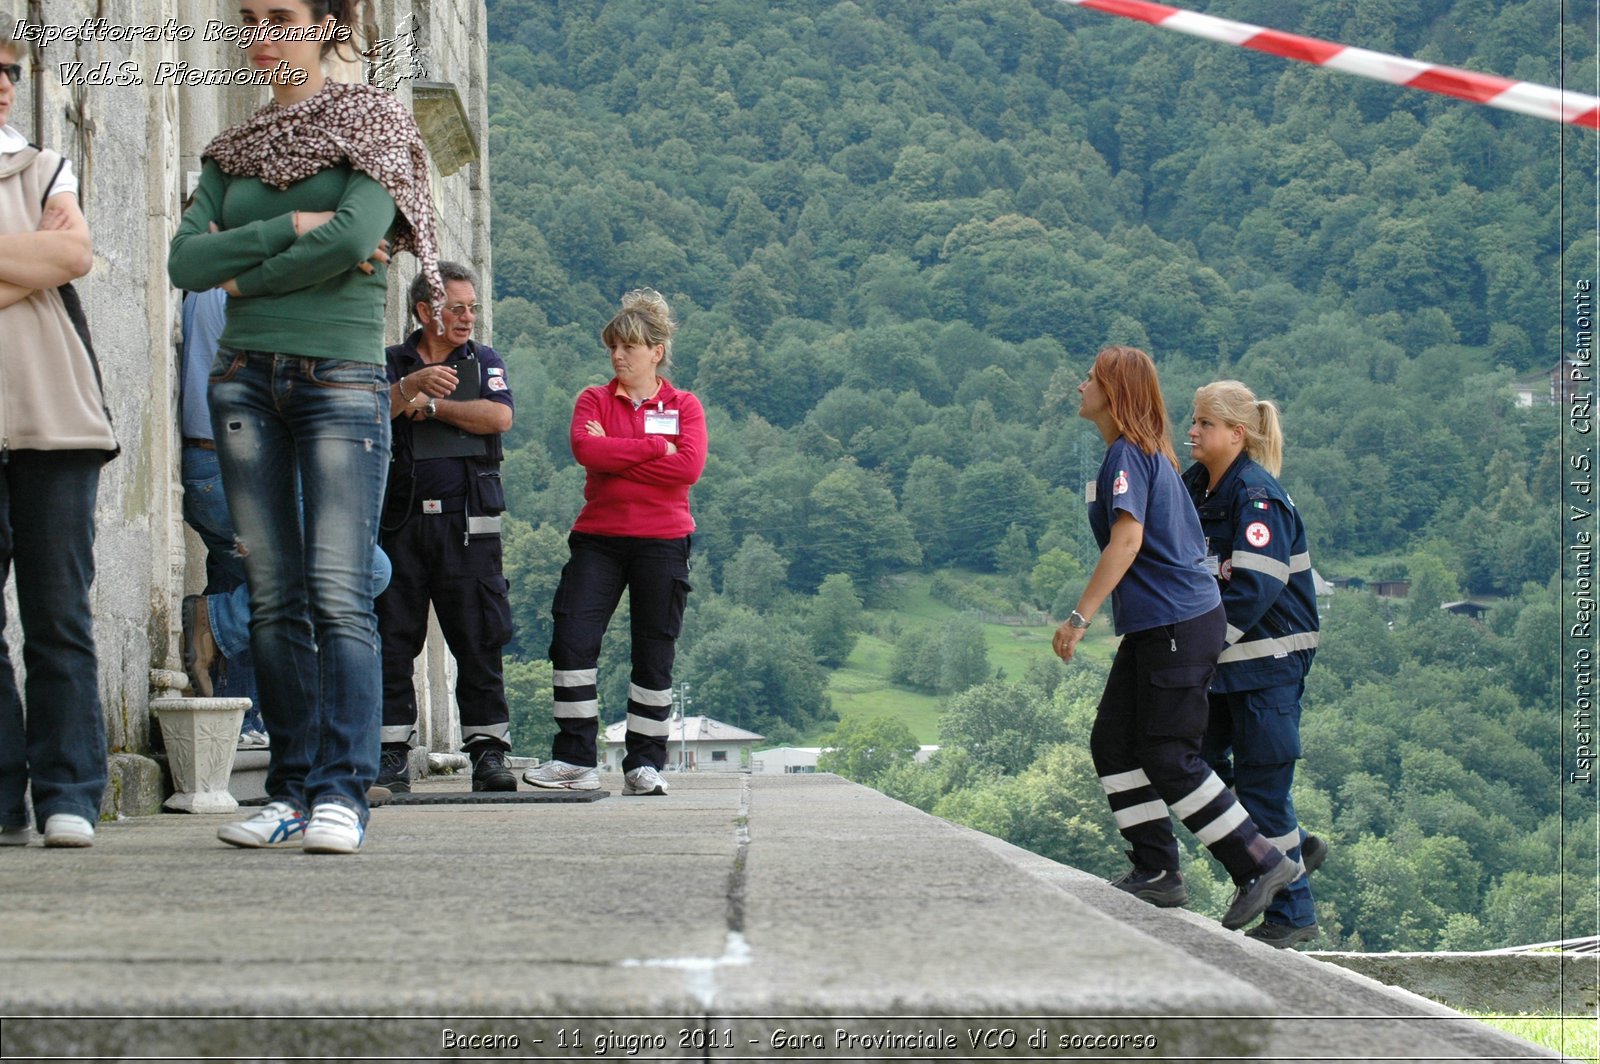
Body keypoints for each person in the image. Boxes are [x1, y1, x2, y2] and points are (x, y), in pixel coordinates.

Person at [167, 0, 442, 854]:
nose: (262, 33)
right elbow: (184, 260)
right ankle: (288, 789)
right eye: (249, 17)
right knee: (275, 597)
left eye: (281, 15)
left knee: (338, 589)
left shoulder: (373, 123)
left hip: (340, 380)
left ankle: (343, 790)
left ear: (328, 27)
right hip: (244, 383)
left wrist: (244, 272)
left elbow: (360, 231)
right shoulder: (231, 151)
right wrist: (288, 229)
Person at [1052, 346, 1299, 932]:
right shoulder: (1141, 453)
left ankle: (1260, 863)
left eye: (1090, 378)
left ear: (1114, 392)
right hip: (1160, 625)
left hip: (1174, 625)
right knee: (1114, 742)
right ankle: (1157, 871)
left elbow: (1126, 543)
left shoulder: (1127, 455)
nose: (1079, 386)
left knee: (1169, 754)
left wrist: (1078, 618)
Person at [178, 288, 394, 751]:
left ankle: (242, 734)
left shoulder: (206, 292)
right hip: (241, 472)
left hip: (207, 471)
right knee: (366, 568)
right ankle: (214, 621)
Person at [0, 29, 118, 847]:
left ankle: (70, 791)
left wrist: (56, 252)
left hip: (55, 419)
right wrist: (30, 258)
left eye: (9, 71)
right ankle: (4, 798)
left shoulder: (43, 166)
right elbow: (51, 255)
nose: (4, 85)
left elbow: (74, 252)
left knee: (58, 615)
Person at [524, 290, 705, 796]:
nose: (617, 356)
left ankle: (645, 766)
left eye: (628, 346)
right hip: (598, 540)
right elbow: (587, 450)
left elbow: (688, 467)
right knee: (572, 640)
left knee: (654, 653)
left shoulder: (684, 405)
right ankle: (574, 759)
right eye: (612, 347)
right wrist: (653, 447)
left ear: (657, 350)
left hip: (664, 542)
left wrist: (617, 451)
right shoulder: (593, 399)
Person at [1184, 380, 1325, 948]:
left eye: (1204, 424)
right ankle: (1296, 845)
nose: (1191, 431)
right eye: (1193, 421)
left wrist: (1198, 646)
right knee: (1195, 765)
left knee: (1263, 791)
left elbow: (1253, 591)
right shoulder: (1198, 485)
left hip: (1267, 665)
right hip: (1228, 665)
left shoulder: (1257, 497)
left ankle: (1292, 915)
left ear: (1236, 434)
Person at [375, 263, 516, 793]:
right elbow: (367, 413)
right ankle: (390, 754)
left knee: (479, 634)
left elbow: (499, 418)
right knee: (392, 637)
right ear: (422, 312)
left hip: (468, 524)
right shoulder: (390, 362)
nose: (467, 318)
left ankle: (488, 752)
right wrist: (406, 388)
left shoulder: (484, 361)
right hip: (398, 520)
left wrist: (431, 406)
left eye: (471, 307)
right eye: (455, 308)